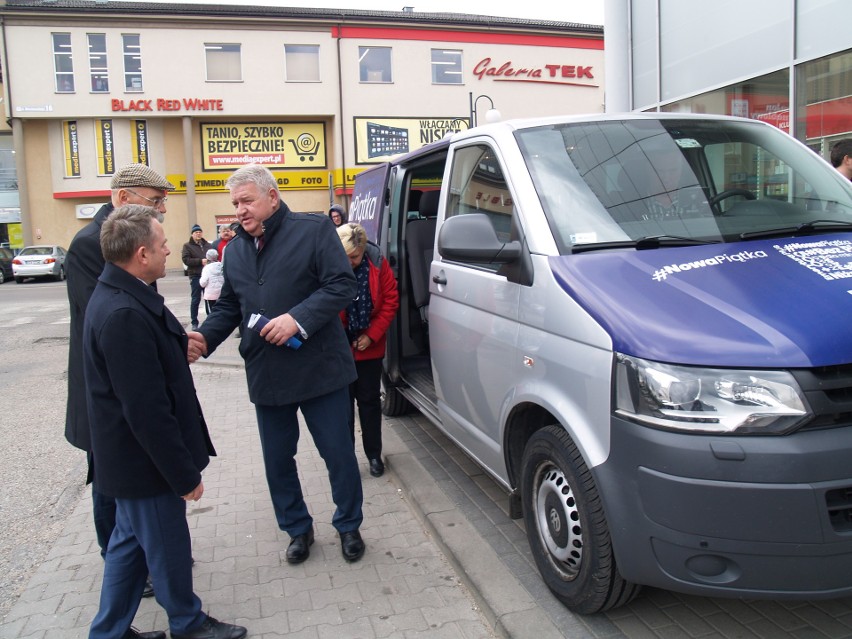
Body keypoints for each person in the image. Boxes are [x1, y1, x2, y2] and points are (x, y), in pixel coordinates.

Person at [189, 163, 366, 565]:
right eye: (235, 203)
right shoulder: (233, 251)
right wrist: (204, 337)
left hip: (321, 369)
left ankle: (349, 524)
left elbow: (342, 285)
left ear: (272, 196)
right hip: (268, 372)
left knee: (337, 453)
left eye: (247, 201)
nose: (240, 210)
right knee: (277, 460)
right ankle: (297, 528)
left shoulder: (313, 231)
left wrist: (296, 319)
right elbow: (231, 306)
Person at [84, 205, 246, 639]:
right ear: (140, 254)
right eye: (161, 245)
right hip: (145, 464)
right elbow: (147, 409)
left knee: (127, 546)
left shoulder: (124, 294)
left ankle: (109, 632)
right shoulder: (123, 314)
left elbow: (146, 368)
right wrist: (181, 474)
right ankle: (188, 624)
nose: (168, 249)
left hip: (130, 463)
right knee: (167, 545)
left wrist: (180, 343)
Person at [65, 163, 173, 600]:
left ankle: (135, 562)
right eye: (155, 200)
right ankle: (120, 567)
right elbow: (118, 321)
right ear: (125, 199)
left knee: (129, 479)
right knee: (111, 481)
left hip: (124, 380)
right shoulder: (91, 245)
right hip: (109, 390)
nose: (162, 209)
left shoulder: (118, 238)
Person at [337, 223, 399, 477]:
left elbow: (390, 300)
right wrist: (341, 339)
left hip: (369, 350)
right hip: (339, 350)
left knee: (369, 404)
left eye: (354, 257)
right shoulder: (329, 263)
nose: (349, 262)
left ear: (363, 251)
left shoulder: (377, 263)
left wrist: (371, 336)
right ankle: (345, 460)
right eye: (345, 257)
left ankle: (374, 455)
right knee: (342, 409)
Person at [181, 224, 213, 330]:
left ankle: (210, 320)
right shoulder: (187, 246)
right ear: (192, 234)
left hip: (208, 275)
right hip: (196, 275)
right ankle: (194, 322)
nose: (198, 234)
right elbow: (186, 260)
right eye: (196, 232)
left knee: (209, 299)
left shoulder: (207, 245)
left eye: (200, 232)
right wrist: (200, 261)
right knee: (195, 299)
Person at [199, 248, 224, 314]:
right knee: (221, 311)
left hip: (210, 295)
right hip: (221, 293)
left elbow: (203, 282)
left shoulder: (207, 268)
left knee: (211, 312)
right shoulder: (221, 266)